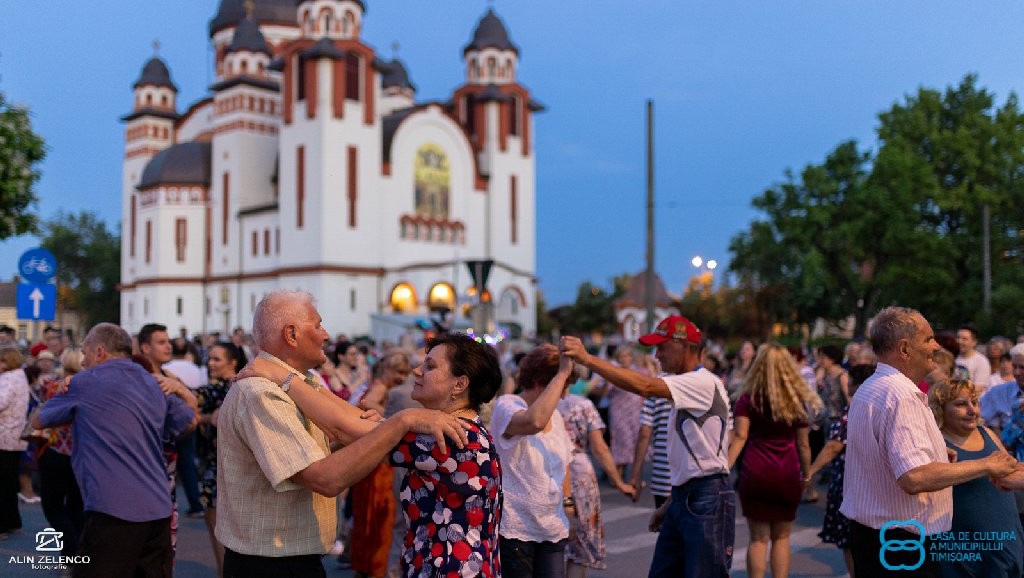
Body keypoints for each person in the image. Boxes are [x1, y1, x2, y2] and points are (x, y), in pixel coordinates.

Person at [216, 290, 469, 578]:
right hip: (271, 562)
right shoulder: (260, 393)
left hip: (288, 557)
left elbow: (347, 427)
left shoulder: (297, 382)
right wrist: (401, 421)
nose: (326, 334)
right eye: (318, 324)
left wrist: (382, 428)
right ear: (291, 334)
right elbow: (324, 478)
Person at [840, 306, 1017, 577]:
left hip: (877, 537)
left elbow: (882, 455)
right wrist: (986, 465)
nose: (935, 346)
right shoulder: (900, 395)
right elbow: (914, 477)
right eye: (927, 339)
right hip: (902, 542)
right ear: (904, 349)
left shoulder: (873, 387)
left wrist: (934, 450)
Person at [561, 315, 735, 578]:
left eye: (662, 347)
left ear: (685, 346)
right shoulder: (689, 384)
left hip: (705, 495)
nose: (656, 355)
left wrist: (587, 359)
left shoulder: (702, 382)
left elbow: (645, 386)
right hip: (688, 495)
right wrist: (670, 503)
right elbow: (697, 456)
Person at [34, 323, 196, 577]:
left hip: (112, 508)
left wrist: (61, 394)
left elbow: (38, 421)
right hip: (158, 508)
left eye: (85, 354)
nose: (84, 361)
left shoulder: (84, 381)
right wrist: (182, 392)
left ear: (99, 351)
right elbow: (187, 423)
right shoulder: (153, 381)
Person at [726, 344, 821, 578]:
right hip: (787, 472)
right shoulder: (795, 400)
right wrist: (807, 475)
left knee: (757, 539)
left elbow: (739, 436)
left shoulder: (747, 399)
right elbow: (803, 444)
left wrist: (724, 468)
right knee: (782, 537)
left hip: (755, 471)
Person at [489, 343, 574, 578]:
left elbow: (563, 464)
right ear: (539, 382)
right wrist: (562, 373)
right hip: (516, 529)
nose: (565, 394)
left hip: (552, 527)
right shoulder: (507, 405)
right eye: (562, 387)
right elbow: (533, 422)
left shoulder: (555, 415)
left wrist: (568, 507)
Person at [928, 378, 1024, 578]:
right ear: (941, 409)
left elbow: (1012, 469)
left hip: (1006, 535)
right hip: (963, 543)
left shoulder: (986, 432)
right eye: (961, 404)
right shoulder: (935, 442)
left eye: (975, 402)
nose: (972, 410)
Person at [557, 390, 636, 578]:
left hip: (547, 472)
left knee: (553, 547)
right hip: (579, 473)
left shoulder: (534, 403)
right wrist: (618, 481)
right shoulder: (581, 405)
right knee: (580, 547)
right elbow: (599, 447)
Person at [805, 363, 874, 578]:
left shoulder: (856, 408)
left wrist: (811, 471)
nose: (848, 386)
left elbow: (835, 445)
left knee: (851, 539)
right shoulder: (881, 404)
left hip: (850, 481)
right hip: (871, 482)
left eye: (851, 381)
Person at [349, 351, 412, 578]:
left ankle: (366, 565)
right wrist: (398, 420)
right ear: (387, 369)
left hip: (371, 460)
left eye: (405, 373)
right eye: (399, 372)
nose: (402, 377)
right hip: (380, 465)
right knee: (380, 519)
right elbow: (368, 404)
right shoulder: (381, 387)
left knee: (370, 517)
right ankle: (375, 567)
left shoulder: (380, 385)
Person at [195, 342, 246, 578]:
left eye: (217, 359)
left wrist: (203, 418)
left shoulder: (221, 389)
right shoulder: (243, 386)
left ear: (232, 362)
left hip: (220, 467)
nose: (211, 363)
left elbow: (194, 402)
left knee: (220, 530)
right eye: (210, 358)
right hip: (231, 466)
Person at [37, 347, 86, 557]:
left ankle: (72, 549)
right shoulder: (92, 387)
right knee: (77, 505)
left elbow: (43, 415)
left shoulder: (55, 386)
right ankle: (73, 552)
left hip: (56, 451)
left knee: (52, 506)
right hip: (83, 453)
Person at [0, 348, 29, 538]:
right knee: (9, 480)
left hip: (3, 435)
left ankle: (1, 525)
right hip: (16, 436)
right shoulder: (21, 377)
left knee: (2, 482)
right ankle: (12, 520)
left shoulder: (9, 378)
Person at [956, 324, 992, 395]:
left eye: (964, 339)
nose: (959, 341)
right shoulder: (952, 357)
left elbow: (979, 388)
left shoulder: (982, 361)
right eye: (958, 338)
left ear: (974, 342)